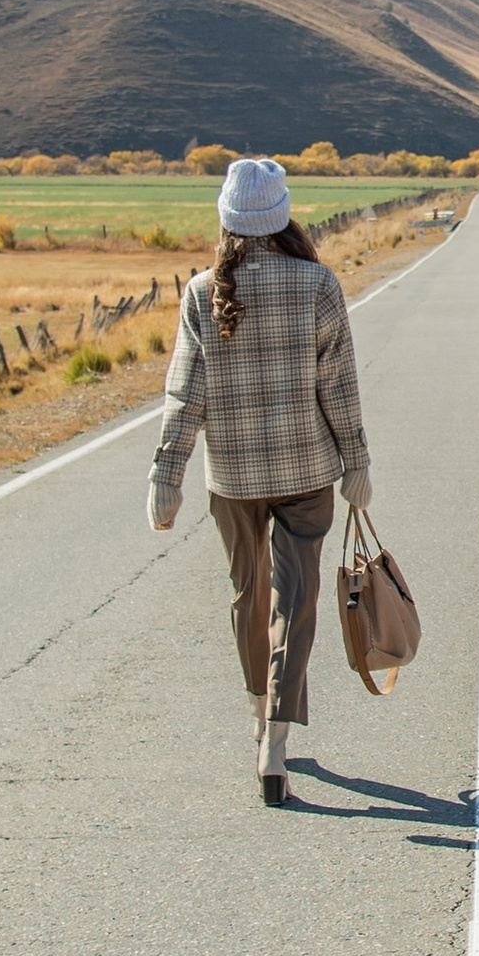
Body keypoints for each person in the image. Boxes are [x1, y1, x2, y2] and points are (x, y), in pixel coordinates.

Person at [150, 155, 371, 806]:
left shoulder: (200, 292)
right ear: (283, 215)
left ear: (226, 218)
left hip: (234, 478)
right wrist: (357, 466)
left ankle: (257, 714)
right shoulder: (318, 285)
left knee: (249, 596)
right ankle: (276, 743)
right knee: (294, 603)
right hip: (306, 473)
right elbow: (341, 391)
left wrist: (167, 480)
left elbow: (183, 397)